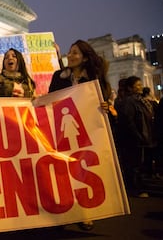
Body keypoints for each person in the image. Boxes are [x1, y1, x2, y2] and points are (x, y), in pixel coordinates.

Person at [48, 39, 113, 231]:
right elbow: (52, 97)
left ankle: (86, 214)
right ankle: (66, 210)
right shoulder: (59, 76)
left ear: (85, 58)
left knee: (83, 170)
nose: (70, 55)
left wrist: (105, 106)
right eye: (69, 51)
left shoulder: (94, 79)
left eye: (75, 52)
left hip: (87, 130)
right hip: (62, 130)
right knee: (63, 170)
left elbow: (103, 99)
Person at [116, 76, 157, 198]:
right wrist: (138, 135)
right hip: (133, 138)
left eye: (140, 84)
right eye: (137, 85)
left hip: (141, 136)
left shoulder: (140, 100)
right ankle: (135, 189)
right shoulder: (129, 101)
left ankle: (138, 187)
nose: (140, 87)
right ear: (130, 87)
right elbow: (129, 121)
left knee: (138, 164)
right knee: (134, 165)